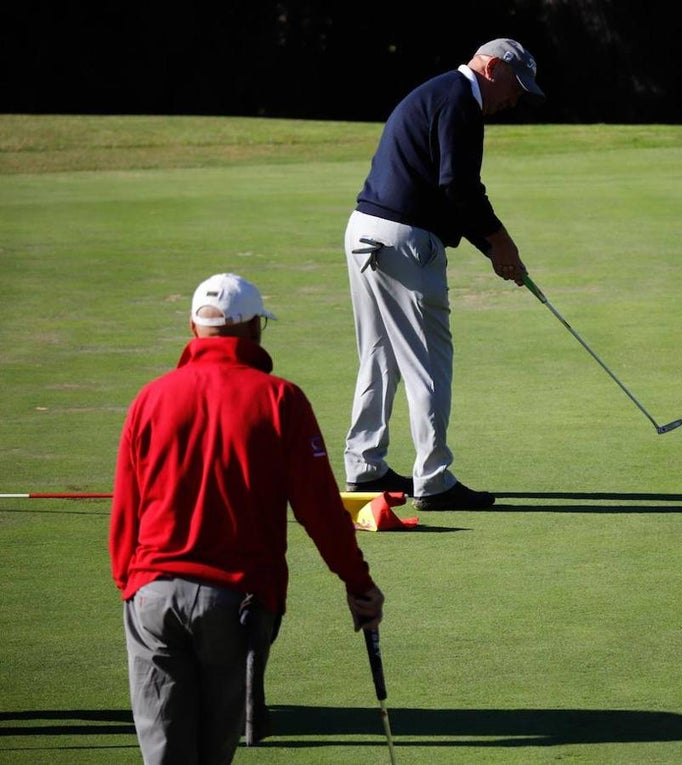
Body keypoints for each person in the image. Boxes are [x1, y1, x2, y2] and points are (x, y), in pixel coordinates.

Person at [110, 273, 384, 764]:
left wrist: (130, 586)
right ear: (255, 328)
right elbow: (320, 509)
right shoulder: (280, 400)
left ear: (193, 329)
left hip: (152, 594)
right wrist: (357, 582)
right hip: (235, 600)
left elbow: (126, 509)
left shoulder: (150, 398)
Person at [343, 38, 546, 510]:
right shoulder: (461, 102)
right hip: (405, 240)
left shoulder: (440, 93)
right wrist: (499, 241)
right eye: (516, 87)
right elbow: (459, 186)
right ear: (491, 68)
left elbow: (449, 190)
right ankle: (433, 479)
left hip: (365, 229)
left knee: (379, 353)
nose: (515, 99)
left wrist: (492, 247)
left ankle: (365, 466)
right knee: (429, 360)